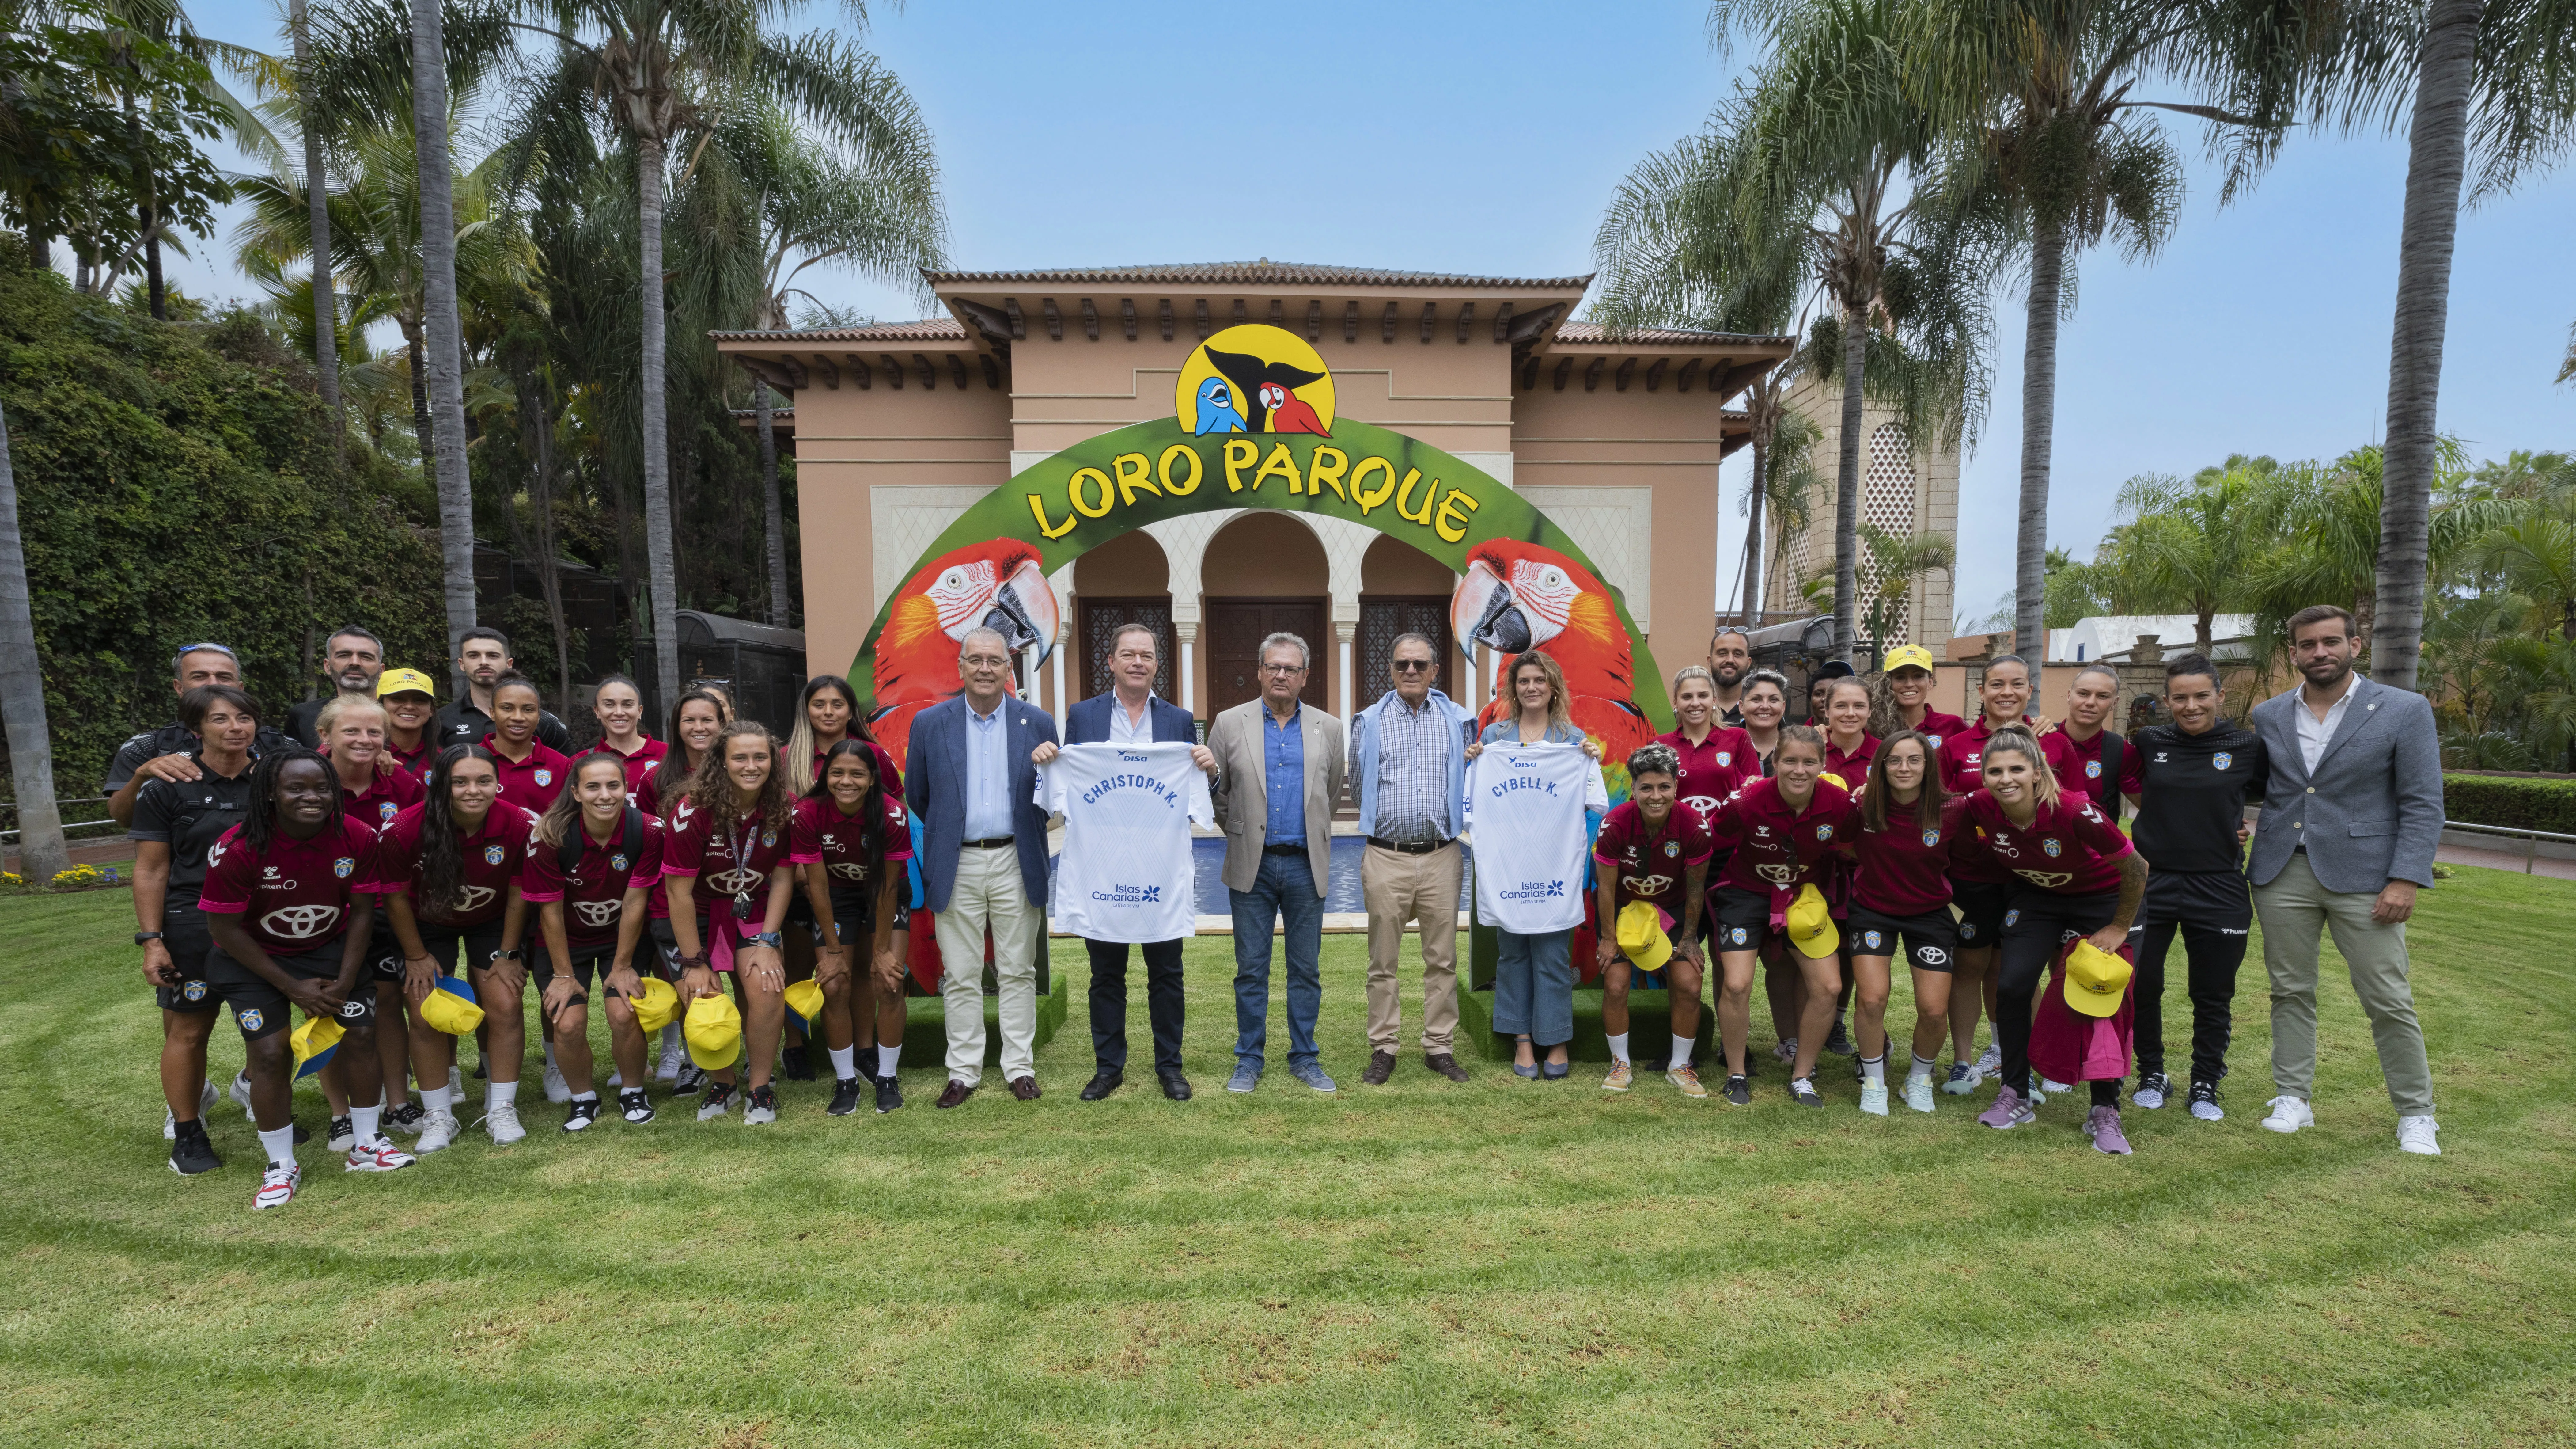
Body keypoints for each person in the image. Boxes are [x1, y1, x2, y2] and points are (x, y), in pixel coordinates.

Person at [2243, 606, 2443, 1154]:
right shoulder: (2269, 715)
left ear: (2355, 645)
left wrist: (2406, 877)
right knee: (2289, 990)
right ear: (2293, 654)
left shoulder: (2404, 710)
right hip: (2282, 871)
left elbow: (2423, 801)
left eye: (2331, 641)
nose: (2320, 652)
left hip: (2368, 877)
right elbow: (2261, 786)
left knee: (2387, 997)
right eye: (2308, 644)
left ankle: (2416, 1113)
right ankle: (2292, 1097)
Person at [196, 748, 410, 1209]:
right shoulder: (238, 848)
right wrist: (291, 988)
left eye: (322, 788)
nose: (312, 797)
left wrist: (346, 981)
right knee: (270, 1054)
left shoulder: (357, 836)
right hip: (252, 959)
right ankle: (281, 1165)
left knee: (361, 1034)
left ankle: (367, 1145)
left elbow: (362, 913)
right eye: (296, 788)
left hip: (329, 950)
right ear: (271, 794)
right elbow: (224, 929)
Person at [1031, 624, 1214, 1101]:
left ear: (1157, 665)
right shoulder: (1083, 715)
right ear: (1110, 662)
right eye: (1128, 654)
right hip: (1103, 868)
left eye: (1147, 655)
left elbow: (1197, 790)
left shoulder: (1180, 721)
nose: (1138, 662)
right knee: (1106, 976)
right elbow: (1070, 778)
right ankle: (1108, 1069)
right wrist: (1049, 758)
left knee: (1167, 975)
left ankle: (1170, 1068)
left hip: (1159, 869)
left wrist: (1207, 768)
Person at [1954, 726, 2148, 1154]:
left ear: (2038, 773)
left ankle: (2104, 1109)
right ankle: (2016, 1092)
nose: (2006, 779)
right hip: (2038, 898)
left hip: (2100, 901)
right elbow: (1939, 807)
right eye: (1995, 771)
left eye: (2017, 769)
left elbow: (2136, 867)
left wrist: (2119, 927)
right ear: (1984, 777)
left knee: (2098, 992)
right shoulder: (1980, 805)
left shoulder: (2075, 810)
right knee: (2012, 985)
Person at [904, 630, 1058, 1106]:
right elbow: (919, 795)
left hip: (1016, 858)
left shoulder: (1038, 722)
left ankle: (1020, 1067)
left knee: (1018, 970)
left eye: (995, 660)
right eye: (976, 660)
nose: (986, 668)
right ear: (961, 667)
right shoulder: (931, 723)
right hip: (958, 860)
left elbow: (1052, 795)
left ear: (1010, 669)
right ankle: (963, 1072)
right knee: (961, 972)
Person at [128, 684, 264, 1174]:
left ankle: (271, 1114)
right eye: (220, 719)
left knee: (267, 1029)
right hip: (192, 925)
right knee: (189, 1030)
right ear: (196, 729)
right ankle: (188, 1134)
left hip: (260, 925)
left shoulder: (272, 781)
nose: (235, 728)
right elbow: (151, 870)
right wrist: (152, 941)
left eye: (244, 718)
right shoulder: (167, 787)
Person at [2127, 654, 2269, 1121]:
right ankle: (2152, 1073)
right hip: (2152, 881)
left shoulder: (2246, 745)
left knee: (2212, 992)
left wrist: (2238, 828)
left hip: (2219, 884)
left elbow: (2276, 796)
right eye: (2180, 698)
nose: (2191, 706)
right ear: (2167, 700)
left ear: (2219, 696)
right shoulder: (2150, 740)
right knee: (2142, 984)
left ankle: (2206, 1082)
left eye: (2201, 696)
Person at [1207, 631, 1346, 1095]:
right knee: (1251, 969)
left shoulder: (1329, 728)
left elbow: (1329, 793)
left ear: (1305, 676)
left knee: (1306, 970)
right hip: (1254, 865)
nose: (1281, 675)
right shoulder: (1229, 723)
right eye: (1273, 667)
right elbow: (1219, 794)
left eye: (1291, 668)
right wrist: (1243, 831)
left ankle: (1305, 1057)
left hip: (1306, 865)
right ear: (1260, 672)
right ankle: (1249, 1059)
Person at [379, 745, 537, 1151]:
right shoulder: (403, 829)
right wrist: (415, 955)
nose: (473, 790)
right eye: (460, 782)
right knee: (425, 1011)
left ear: (497, 784)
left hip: (493, 920)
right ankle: (438, 1116)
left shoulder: (521, 823)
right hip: (426, 924)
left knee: (505, 1004)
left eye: (483, 781)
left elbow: (519, 891)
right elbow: (394, 897)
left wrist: (508, 954)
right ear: (440, 786)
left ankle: (501, 1108)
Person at [1939, 653, 2081, 1087]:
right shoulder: (1956, 747)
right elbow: (1943, 810)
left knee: (2018, 972)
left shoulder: (2054, 743)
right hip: (1973, 879)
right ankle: (1964, 1060)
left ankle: (2021, 1056)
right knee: (1969, 967)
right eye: (1996, 685)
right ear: (1980, 691)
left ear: (2030, 690)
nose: (2007, 692)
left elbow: (2075, 805)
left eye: (2016, 684)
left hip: (2031, 880)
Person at [1346, 631, 1478, 1087]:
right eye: (1402, 664)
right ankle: (1384, 1047)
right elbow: (1358, 783)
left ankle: (1439, 1046)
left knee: (1442, 959)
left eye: (1420, 664)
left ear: (1434, 671)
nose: (1410, 671)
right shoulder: (1368, 722)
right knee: (1382, 961)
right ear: (1390, 670)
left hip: (1442, 855)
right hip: (1387, 855)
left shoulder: (1460, 722)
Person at [1470, 652, 1608, 1078]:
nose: (1531, 688)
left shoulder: (1573, 740)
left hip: (1553, 863)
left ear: (1553, 687)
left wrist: (1590, 760)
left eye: (1539, 680)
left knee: (1551, 954)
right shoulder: (1494, 737)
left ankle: (1556, 1038)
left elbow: (1593, 803)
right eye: (1524, 681)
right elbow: (1477, 796)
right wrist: (1475, 759)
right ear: (1514, 689)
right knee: (1512, 954)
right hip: (1509, 863)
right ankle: (1522, 1039)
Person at [1706, 726, 1856, 1107]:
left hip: (1802, 898)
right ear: (1774, 761)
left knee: (1829, 987)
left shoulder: (1839, 803)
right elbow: (1712, 836)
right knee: (1736, 984)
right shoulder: (1747, 800)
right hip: (1745, 893)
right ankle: (1736, 1074)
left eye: (1809, 762)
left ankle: (1802, 1075)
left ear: (1822, 765)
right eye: (1790, 760)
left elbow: (1856, 843)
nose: (1799, 770)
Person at [662, 721, 801, 1123]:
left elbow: (783, 878)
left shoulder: (784, 806)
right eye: (740, 757)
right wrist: (694, 963)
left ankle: (759, 1088)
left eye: (760, 757)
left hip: (752, 907)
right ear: (721, 762)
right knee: (703, 996)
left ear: (773, 762)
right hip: (695, 911)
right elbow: (677, 893)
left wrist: (768, 941)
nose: (751, 766)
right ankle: (723, 1084)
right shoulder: (692, 812)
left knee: (768, 988)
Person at [521, 753, 665, 1129]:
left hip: (622, 940)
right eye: (593, 787)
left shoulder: (649, 830)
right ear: (576, 793)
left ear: (626, 789)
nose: (605, 795)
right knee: (568, 1023)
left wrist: (622, 966)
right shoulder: (549, 836)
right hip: (565, 942)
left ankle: (633, 1091)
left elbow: (635, 901)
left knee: (624, 1013)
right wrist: (563, 975)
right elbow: (550, 912)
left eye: (613, 785)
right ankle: (583, 1099)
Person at [775, 675, 901, 1082]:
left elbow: (893, 807)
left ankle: (864, 1050)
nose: (828, 712)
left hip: (859, 882)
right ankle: (795, 1046)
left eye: (837, 704)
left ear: (851, 711)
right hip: (801, 878)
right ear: (806, 709)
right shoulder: (786, 757)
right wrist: (796, 869)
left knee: (861, 966)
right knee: (800, 966)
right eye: (819, 704)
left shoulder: (874, 755)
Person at [317, 694, 426, 1138]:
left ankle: (397, 1103)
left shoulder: (401, 783)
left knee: (388, 1004)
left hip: (388, 912)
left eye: (373, 732)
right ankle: (340, 1114)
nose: (364, 740)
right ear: (325, 736)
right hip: (326, 918)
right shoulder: (307, 781)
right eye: (351, 731)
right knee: (326, 1008)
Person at [793, 740, 914, 1116]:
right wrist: (832, 953)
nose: (846, 781)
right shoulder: (807, 812)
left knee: (889, 981)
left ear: (873, 779)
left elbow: (887, 887)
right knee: (833, 985)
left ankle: (887, 1078)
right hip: (835, 896)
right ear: (825, 776)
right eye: (838, 773)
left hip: (883, 893)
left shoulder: (892, 814)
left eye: (857, 774)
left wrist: (880, 952)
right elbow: (817, 887)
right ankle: (845, 1081)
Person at [1840, 731, 1957, 1114]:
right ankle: (1874, 1082)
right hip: (1872, 910)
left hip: (1930, 913)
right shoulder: (1862, 806)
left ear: (1927, 765)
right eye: (1894, 760)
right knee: (1871, 999)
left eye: (1913, 760)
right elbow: (1842, 844)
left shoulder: (1952, 809)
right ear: (1881, 766)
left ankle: (1918, 1080)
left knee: (1934, 1010)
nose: (1904, 768)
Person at [1591, 743, 1710, 1096]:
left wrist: (1689, 938)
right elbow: (1605, 890)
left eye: (1663, 787)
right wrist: (1608, 938)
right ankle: (1620, 1064)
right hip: (1623, 911)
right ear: (1633, 788)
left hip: (1671, 911)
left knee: (1689, 985)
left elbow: (1696, 888)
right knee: (1615, 985)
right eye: (1646, 788)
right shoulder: (1614, 824)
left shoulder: (1694, 825)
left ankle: (1680, 1066)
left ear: (1675, 786)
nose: (1655, 796)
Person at [104, 643, 293, 826]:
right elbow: (123, 820)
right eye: (200, 676)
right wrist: (141, 776)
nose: (213, 683)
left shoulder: (281, 745)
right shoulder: (148, 745)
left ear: (240, 688)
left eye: (224, 677)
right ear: (179, 687)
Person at [434, 627, 571, 753]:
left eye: (493, 656)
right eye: (474, 656)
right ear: (462, 664)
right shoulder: (442, 720)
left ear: (509, 664)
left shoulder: (543, 721)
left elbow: (567, 768)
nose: (484, 662)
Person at [1657, 666, 1757, 836]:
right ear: (1675, 702)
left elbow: (1754, 790)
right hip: (1675, 841)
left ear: (1714, 700)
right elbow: (1644, 797)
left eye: (1703, 696)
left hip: (1726, 840)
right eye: (1687, 697)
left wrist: (1756, 784)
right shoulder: (1659, 745)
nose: (1695, 703)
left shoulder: (1738, 738)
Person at [2052, 664, 2143, 821]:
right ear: (2069, 695)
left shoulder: (2121, 752)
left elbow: (2151, 809)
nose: (2090, 702)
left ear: (2115, 703)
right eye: (2083, 694)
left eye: (2102, 696)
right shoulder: (2040, 737)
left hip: (2093, 837)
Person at [479, 674, 572, 818]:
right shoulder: (470, 761)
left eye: (528, 710)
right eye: (507, 708)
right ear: (493, 713)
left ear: (539, 716)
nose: (518, 717)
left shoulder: (563, 766)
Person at [285, 626, 387, 748]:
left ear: (381, 670)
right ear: (327, 666)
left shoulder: (397, 715)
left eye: (366, 657)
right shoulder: (303, 716)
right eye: (344, 655)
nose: (355, 662)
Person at [639, 688, 730, 820]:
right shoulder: (654, 780)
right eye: (689, 720)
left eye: (707, 720)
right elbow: (649, 829)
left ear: (721, 725)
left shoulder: (735, 773)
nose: (699, 728)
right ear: (677, 727)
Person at [578, 674, 667, 802]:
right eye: (610, 705)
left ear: (640, 711)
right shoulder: (580, 762)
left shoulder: (669, 755)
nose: (619, 713)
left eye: (628, 705)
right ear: (597, 711)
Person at [1869, 644, 1969, 749]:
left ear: (1930, 683)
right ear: (1888, 683)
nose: (1909, 684)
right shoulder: (1873, 727)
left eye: (1918, 676)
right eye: (1900, 677)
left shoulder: (1954, 726)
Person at [377, 669, 442, 778]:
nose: (409, 707)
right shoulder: (368, 757)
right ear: (381, 706)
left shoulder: (444, 760)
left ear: (431, 710)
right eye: (398, 699)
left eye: (419, 700)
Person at [1820, 676, 1878, 781]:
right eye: (1841, 706)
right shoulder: (1811, 748)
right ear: (1827, 711)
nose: (1850, 713)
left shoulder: (1884, 752)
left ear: (1870, 711)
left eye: (1859, 706)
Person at [1737, 670, 1790, 775]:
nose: (1765, 706)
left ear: (1783, 707)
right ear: (1741, 707)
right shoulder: (1725, 745)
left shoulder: (1798, 745)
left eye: (1774, 700)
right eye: (1757, 699)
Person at [1706, 628, 1754, 725]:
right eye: (1723, 654)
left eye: (1738, 654)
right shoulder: (1697, 707)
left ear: (1748, 663)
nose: (1730, 660)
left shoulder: (1759, 708)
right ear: (1710, 661)